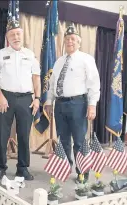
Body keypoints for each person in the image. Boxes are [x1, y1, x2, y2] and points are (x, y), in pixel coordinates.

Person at [44, 25, 101, 182]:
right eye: (67, 39)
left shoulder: (86, 59)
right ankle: (64, 169)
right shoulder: (58, 61)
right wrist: (49, 101)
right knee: (62, 139)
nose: (70, 41)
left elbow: (94, 84)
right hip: (60, 105)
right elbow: (52, 83)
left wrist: (92, 105)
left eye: (73, 39)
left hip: (78, 104)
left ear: (79, 42)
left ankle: (82, 173)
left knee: (79, 140)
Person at [0, 19, 41, 181]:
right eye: (12, 34)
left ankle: (23, 168)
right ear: (7, 37)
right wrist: (1, 97)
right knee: (2, 133)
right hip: (6, 98)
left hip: (26, 98)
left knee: (24, 134)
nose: (16, 37)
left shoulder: (30, 55)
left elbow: (36, 78)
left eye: (18, 34)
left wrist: (37, 98)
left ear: (22, 35)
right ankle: (1, 167)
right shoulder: (0, 55)